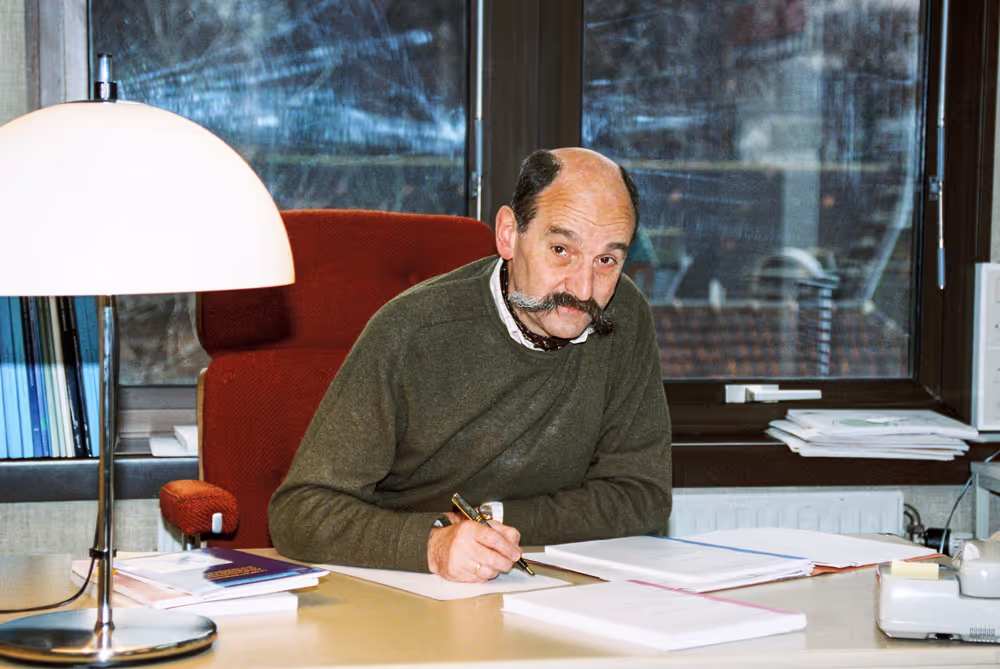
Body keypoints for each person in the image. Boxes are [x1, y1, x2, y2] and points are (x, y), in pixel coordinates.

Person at [269, 147, 671, 582]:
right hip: (404, 581)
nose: (584, 287)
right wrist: (433, 544)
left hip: (539, 577)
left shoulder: (623, 315)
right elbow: (300, 512)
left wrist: (489, 519)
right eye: (561, 249)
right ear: (508, 235)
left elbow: (641, 496)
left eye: (607, 260)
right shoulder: (414, 330)